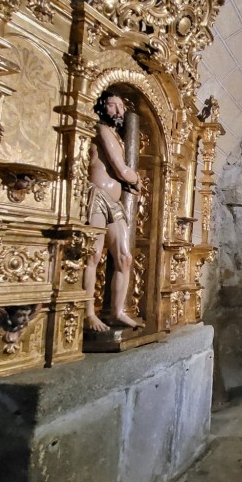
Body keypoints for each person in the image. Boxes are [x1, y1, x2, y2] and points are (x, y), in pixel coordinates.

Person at [83, 91, 141, 331]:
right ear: (101, 107)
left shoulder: (116, 135)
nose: (118, 112)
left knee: (124, 257)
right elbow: (120, 168)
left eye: (121, 107)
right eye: (112, 106)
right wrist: (135, 178)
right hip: (96, 196)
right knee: (93, 254)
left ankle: (116, 311)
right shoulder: (101, 130)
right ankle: (88, 313)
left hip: (113, 203)